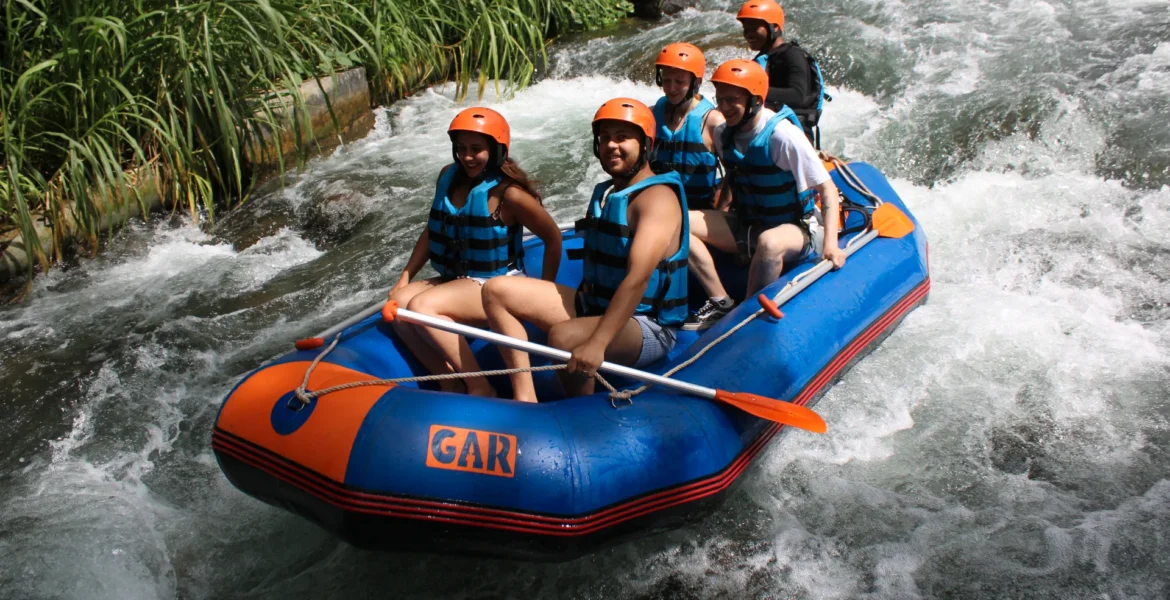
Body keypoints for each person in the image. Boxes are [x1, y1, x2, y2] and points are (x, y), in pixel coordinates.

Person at [482, 98, 688, 402]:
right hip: (595, 304)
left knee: (563, 336)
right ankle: (525, 397)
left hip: (648, 324)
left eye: (622, 137)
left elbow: (638, 278)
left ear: (646, 144)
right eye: (605, 138)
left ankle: (581, 411)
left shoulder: (657, 199)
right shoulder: (610, 192)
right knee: (496, 290)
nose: (611, 145)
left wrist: (598, 343)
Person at [388, 107, 562, 397]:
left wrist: (543, 290)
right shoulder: (448, 176)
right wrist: (406, 275)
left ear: (496, 151)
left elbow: (553, 238)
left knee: (421, 307)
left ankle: (480, 385)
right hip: (457, 279)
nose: (467, 156)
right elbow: (434, 229)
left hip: (495, 284)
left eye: (476, 149)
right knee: (399, 304)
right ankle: (449, 380)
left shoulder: (510, 194)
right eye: (461, 148)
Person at [684, 59, 845, 330]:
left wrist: (831, 245)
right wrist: (720, 212)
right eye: (720, 99)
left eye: (732, 100)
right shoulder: (723, 133)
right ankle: (721, 302)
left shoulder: (782, 136)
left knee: (769, 243)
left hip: (797, 228)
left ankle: (745, 318)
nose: (723, 107)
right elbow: (735, 177)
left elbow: (826, 188)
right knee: (678, 221)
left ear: (756, 101)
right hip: (748, 223)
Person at [736, 0, 829, 147]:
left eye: (754, 28)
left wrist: (751, 92)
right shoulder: (761, 60)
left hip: (795, 136)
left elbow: (797, 96)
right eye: (745, 28)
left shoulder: (793, 55)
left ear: (774, 27)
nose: (748, 34)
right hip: (767, 132)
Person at [650, 43, 727, 211]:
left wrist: (721, 209)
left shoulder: (713, 122)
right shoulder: (651, 114)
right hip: (655, 205)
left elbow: (735, 175)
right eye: (667, 80)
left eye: (679, 82)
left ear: (696, 83)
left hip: (698, 209)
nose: (671, 88)